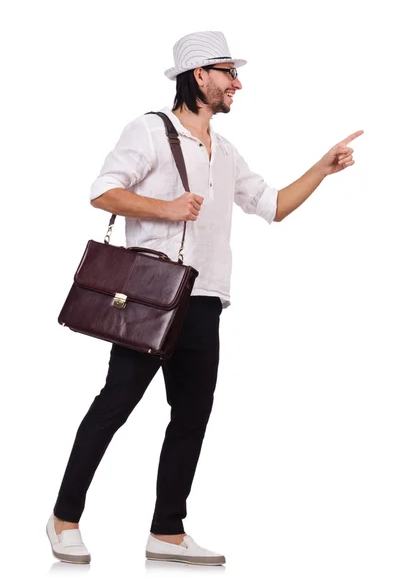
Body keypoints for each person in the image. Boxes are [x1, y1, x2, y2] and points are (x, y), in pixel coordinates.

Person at [46, 30, 363, 566]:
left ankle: (167, 531)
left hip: (206, 299)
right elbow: (102, 190)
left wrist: (322, 168)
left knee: (191, 415)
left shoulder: (227, 152)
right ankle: (63, 518)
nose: (237, 84)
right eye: (228, 73)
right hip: (150, 297)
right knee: (114, 406)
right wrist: (166, 210)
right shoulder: (150, 131)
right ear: (200, 76)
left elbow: (274, 205)